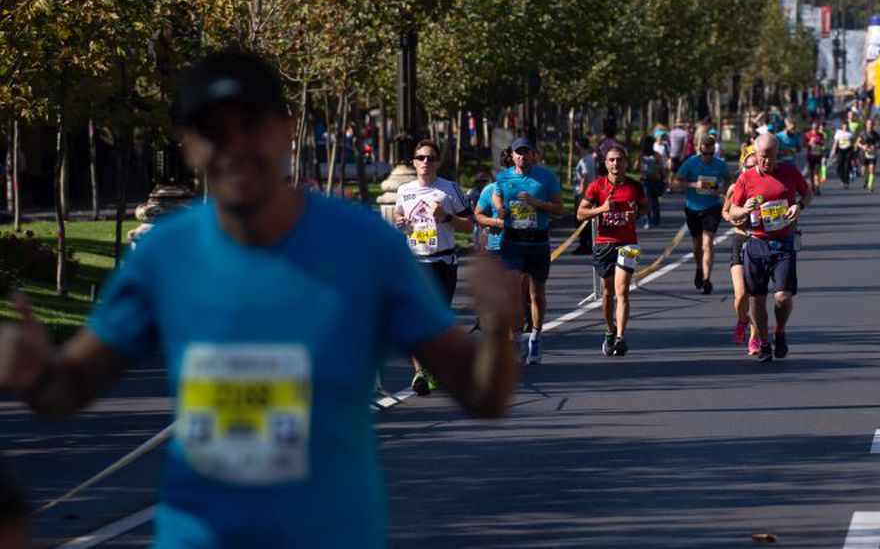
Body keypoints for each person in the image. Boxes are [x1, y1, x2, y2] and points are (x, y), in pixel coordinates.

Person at [0, 50, 516, 548]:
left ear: (286, 129)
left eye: (252, 124)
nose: (235, 146)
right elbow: (67, 391)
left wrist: (495, 325)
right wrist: (35, 373)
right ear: (189, 146)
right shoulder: (165, 255)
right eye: (213, 132)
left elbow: (482, 395)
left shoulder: (364, 246)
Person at [393, 140, 475, 395]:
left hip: (442, 261)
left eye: (430, 158)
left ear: (437, 162)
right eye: (420, 158)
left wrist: (447, 217)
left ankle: (429, 368)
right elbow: (398, 216)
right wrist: (399, 220)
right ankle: (422, 372)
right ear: (413, 162)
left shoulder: (450, 189)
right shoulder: (404, 191)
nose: (425, 163)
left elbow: (470, 224)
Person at [727, 133, 812, 362]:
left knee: (783, 297)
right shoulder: (746, 179)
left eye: (771, 157)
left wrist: (799, 206)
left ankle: (780, 332)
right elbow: (732, 211)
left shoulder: (789, 172)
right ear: (756, 154)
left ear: (778, 154)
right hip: (756, 242)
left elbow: (807, 192)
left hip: (783, 242)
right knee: (756, 298)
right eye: (763, 157)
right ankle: (764, 342)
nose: (766, 162)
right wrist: (744, 210)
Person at [493, 138, 565, 365]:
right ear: (512, 156)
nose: (522, 157)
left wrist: (537, 203)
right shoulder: (504, 177)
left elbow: (560, 209)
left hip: (538, 242)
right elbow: (496, 194)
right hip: (513, 241)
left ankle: (535, 336)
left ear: (533, 155)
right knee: (513, 290)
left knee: (536, 294)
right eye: (518, 153)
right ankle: (516, 337)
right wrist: (500, 207)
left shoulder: (546, 177)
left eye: (526, 153)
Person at [576, 146, 647, 357]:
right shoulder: (597, 185)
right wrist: (601, 209)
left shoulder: (635, 186)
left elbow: (645, 208)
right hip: (604, 243)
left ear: (626, 162)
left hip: (629, 244)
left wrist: (637, 214)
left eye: (620, 160)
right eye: (612, 160)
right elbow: (580, 213)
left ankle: (621, 337)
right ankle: (609, 330)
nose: (616, 164)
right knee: (607, 292)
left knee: (622, 290)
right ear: (606, 163)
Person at [673, 135, 729, 295]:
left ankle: (706, 279)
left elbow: (729, 180)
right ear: (700, 150)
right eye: (705, 154)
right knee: (697, 245)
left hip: (712, 207)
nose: (708, 157)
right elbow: (675, 183)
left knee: (708, 242)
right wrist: (693, 184)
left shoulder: (720, 165)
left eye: (711, 154)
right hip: (693, 208)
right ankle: (699, 268)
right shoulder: (690, 163)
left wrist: (722, 189)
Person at [722, 145, 758, 353]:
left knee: (754, 295)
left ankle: (754, 339)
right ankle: (742, 319)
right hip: (739, 239)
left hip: (758, 241)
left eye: (756, 166)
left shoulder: (764, 187)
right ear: (742, 165)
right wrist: (734, 217)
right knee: (741, 295)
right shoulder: (734, 187)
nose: (752, 169)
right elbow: (725, 212)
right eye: (749, 165)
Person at [474, 150, 514, 257]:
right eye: (506, 166)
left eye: (513, 166)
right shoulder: (490, 190)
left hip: (522, 247)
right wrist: (497, 222)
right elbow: (477, 215)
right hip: (496, 248)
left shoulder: (529, 189)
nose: (510, 171)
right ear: (502, 167)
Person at [572, 138, 598, 255]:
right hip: (588, 193)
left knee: (581, 219)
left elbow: (585, 176)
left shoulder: (585, 160)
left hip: (584, 194)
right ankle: (586, 243)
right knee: (585, 220)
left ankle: (585, 244)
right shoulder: (589, 159)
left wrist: (581, 194)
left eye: (577, 147)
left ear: (581, 147)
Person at [639, 134, 665, 228]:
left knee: (646, 201)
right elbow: (661, 167)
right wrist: (664, 178)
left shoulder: (641, 156)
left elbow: (636, 167)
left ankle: (648, 220)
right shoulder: (657, 155)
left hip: (645, 179)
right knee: (655, 201)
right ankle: (656, 220)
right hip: (656, 179)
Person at [856, 119, 880, 194]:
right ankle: (865, 180)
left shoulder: (876, 134)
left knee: (872, 169)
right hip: (863, 153)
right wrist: (862, 146)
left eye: (871, 124)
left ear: (873, 125)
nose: (870, 125)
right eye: (868, 124)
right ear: (866, 125)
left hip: (872, 154)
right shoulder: (862, 133)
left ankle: (870, 186)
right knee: (863, 170)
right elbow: (857, 143)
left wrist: (875, 146)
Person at [829, 120, 855, 189]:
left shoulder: (850, 133)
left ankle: (846, 181)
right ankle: (841, 178)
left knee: (847, 165)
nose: (845, 127)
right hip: (840, 150)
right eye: (844, 126)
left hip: (848, 150)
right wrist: (833, 150)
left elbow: (853, 142)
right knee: (840, 164)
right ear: (842, 126)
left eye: (846, 126)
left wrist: (851, 144)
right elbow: (835, 142)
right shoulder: (838, 133)